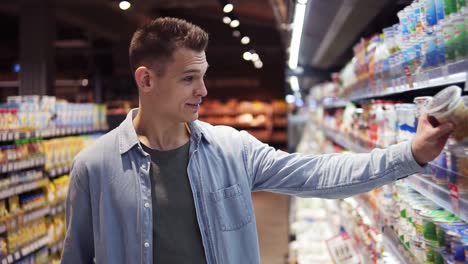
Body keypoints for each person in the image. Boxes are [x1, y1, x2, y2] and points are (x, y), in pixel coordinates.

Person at [60, 17, 454, 264]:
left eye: (204, 74)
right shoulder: (94, 167)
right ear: (146, 79)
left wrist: (411, 154)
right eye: (188, 78)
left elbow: (318, 174)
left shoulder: (232, 149)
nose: (204, 89)